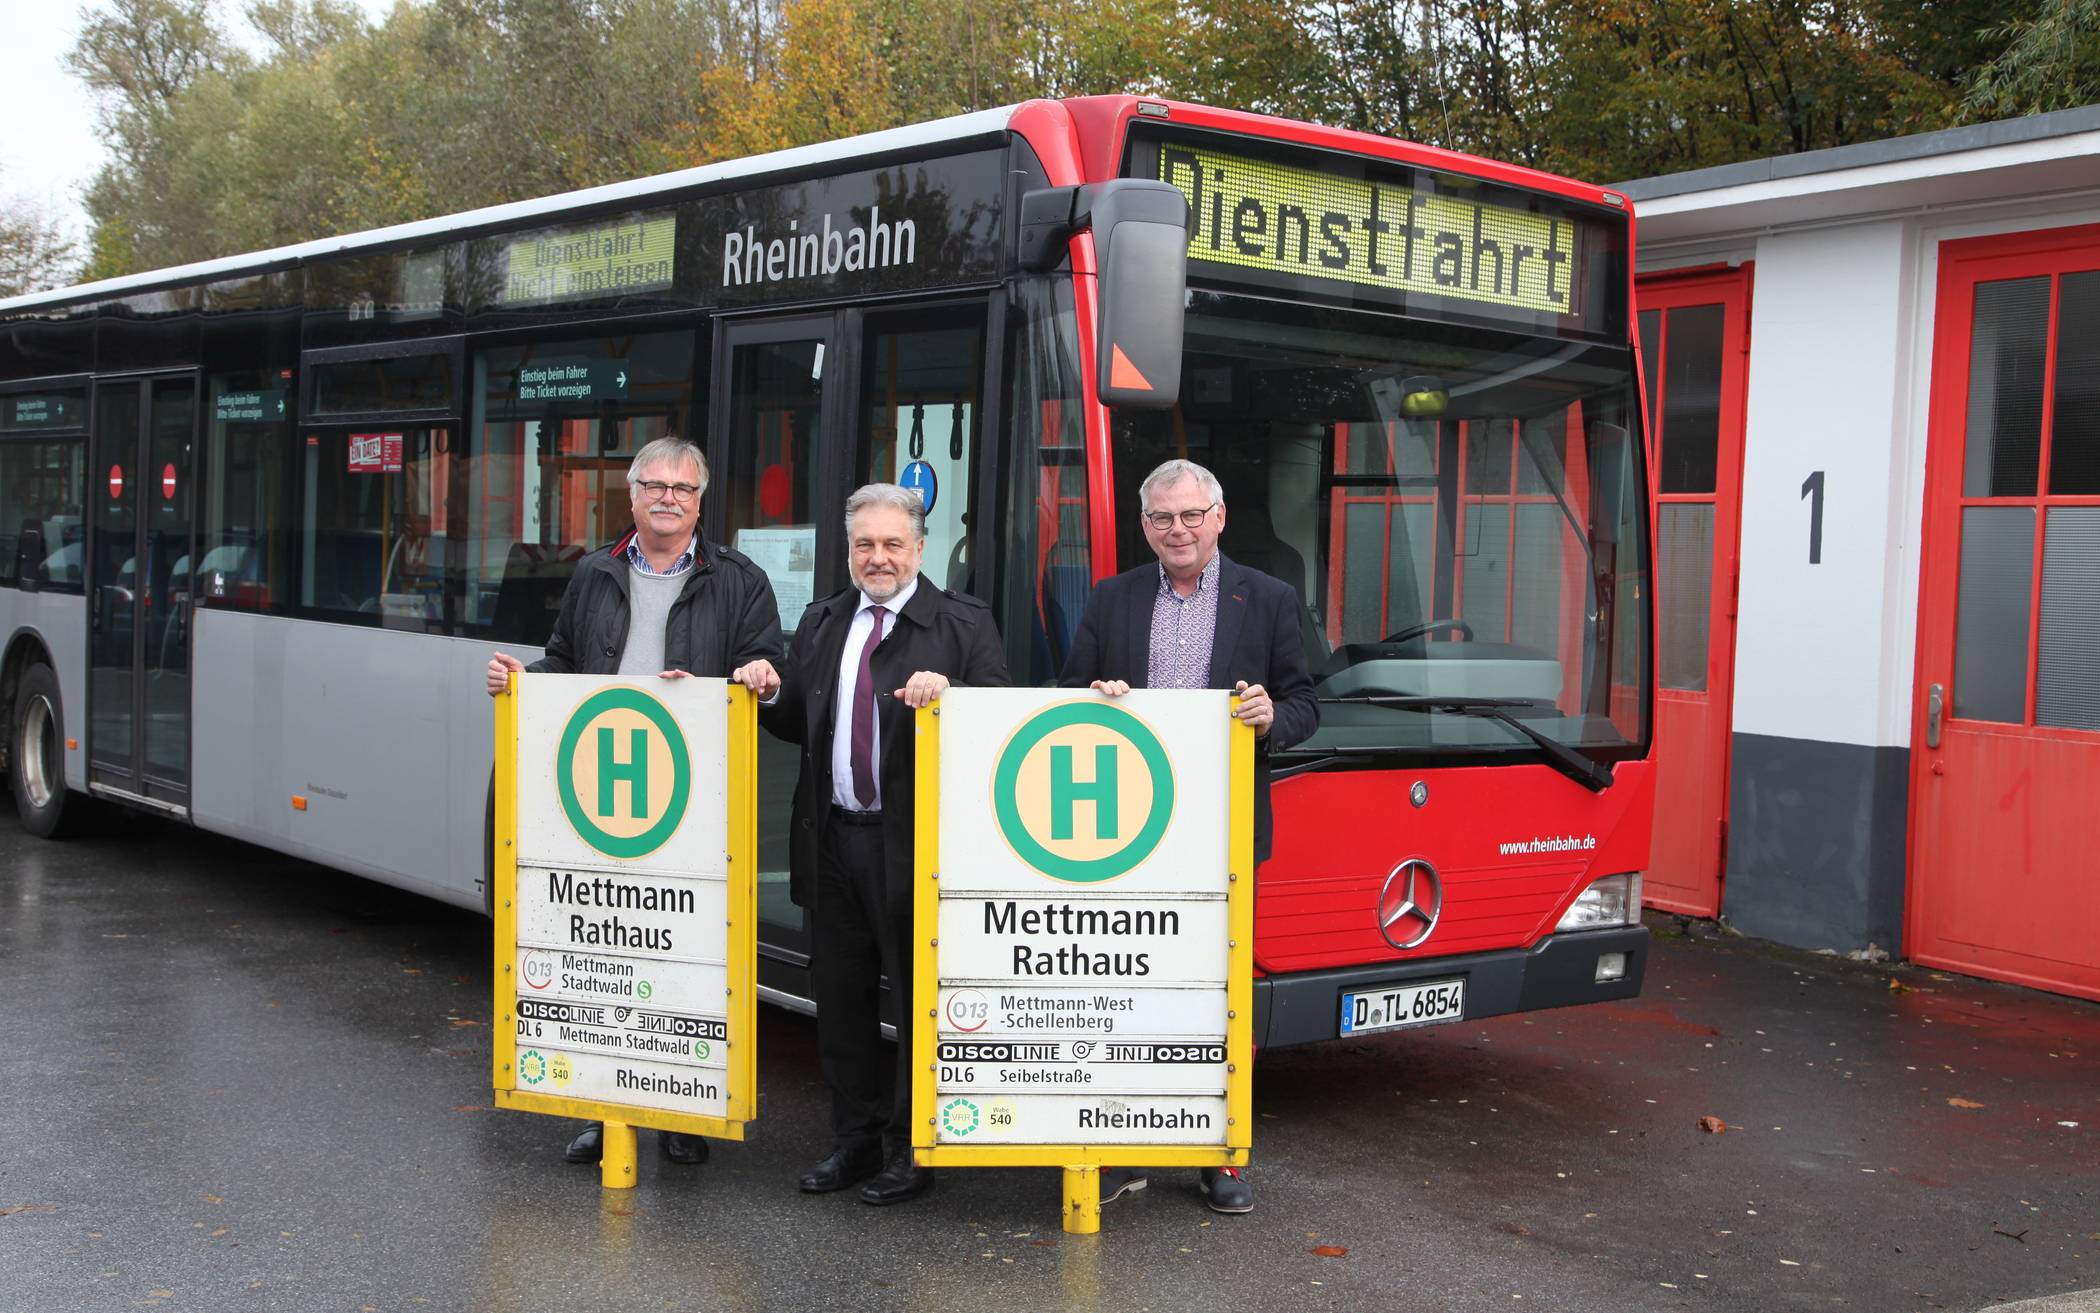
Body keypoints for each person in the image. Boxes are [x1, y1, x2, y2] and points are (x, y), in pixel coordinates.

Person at [485, 434, 784, 1170]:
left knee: (689, 953)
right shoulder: (594, 573)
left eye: (682, 489)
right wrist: (522, 678)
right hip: (603, 792)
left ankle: (684, 1111)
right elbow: (563, 658)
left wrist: (759, 677)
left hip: (696, 800)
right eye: (654, 484)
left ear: (700, 499)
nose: (667, 498)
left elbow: (768, 665)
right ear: (632, 493)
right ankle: (600, 1107)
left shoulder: (740, 580)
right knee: (605, 949)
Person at [1057, 457, 1318, 1215]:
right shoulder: (1112, 598)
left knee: (1218, 994)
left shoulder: (1267, 598)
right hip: (1121, 831)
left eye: (1191, 515)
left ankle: (1219, 1150)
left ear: (1220, 517)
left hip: (1222, 830)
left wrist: (1274, 715)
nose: (1178, 529)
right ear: (1144, 526)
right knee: (1118, 987)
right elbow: (1065, 693)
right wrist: (1092, 697)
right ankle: (1110, 1135)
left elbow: (1304, 703)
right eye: (1163, 518)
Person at [758, 483, 1010, 1205]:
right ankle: (855, 1142)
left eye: (893, 544)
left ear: (920, 549)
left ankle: (914, 1147)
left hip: (915, 847)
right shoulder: (823, 620)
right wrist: (770, 690)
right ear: (849, 549)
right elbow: (796, 719)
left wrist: (952, 692)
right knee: (839, 1001)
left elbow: (999, 725)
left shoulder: (961, 624)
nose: (878, 557)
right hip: (833, 839)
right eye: (864, 544)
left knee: (917, 999)